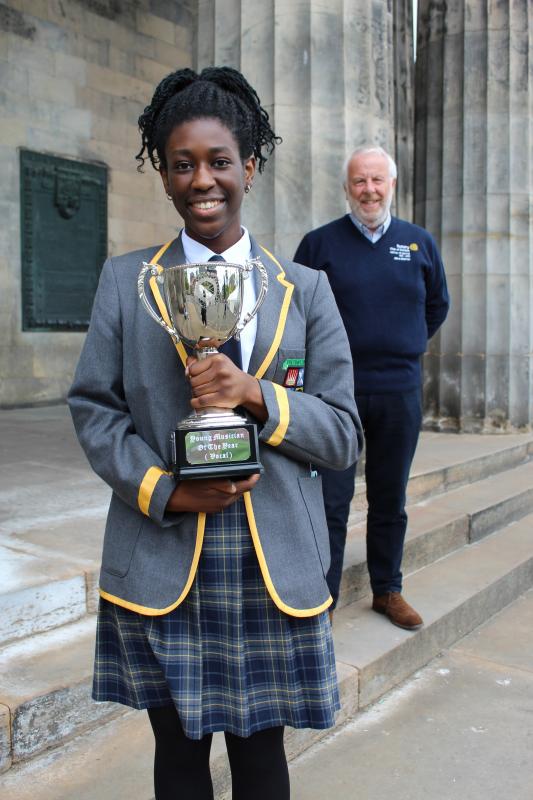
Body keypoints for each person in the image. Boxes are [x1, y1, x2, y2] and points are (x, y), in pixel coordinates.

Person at [68, 66, 362, 800]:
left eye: (219, 161)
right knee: (178, 755)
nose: (203, 179)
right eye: (183, 164)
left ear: (249, 168)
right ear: (164, 177)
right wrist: (164, 491)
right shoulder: (126, 282)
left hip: (271, 563)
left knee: (262, 759)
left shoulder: (305, 288)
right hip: (166, 552)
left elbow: (344, 434)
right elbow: (94, 410)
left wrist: (256, 395)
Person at [294, 146, 449, 631]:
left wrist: (404, 343)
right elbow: (296, 312)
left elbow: (437, 305)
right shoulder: (319, 245)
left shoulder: (418, 243)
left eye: (378, 180)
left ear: (392, 185)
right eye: (360, 181)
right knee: (332, 501)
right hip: (336, 395)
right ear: (347, 188)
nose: (369, 190)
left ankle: (388, 590)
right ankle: (323, 598)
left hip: (399, 391)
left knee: (390, 498)